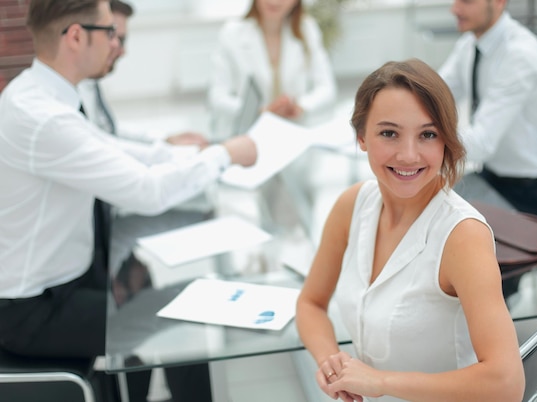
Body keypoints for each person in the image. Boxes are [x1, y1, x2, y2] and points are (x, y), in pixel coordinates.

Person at [0, 1, 257, 401]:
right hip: (35, 313)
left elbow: (121, 150)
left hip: (67, 285)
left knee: (187, 305)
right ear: (76, 36)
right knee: (189, 316)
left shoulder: (45, 97)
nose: (115, 42)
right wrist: (224, 156)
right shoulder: (42, 117)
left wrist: (209, 154)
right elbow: (147, 191)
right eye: (109, 32)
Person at [295, 59, 524, 402]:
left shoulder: (462, 236)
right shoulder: (353, 205)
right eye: (389, 133)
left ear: (445, 141)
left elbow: (506, 383)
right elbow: (310, 303)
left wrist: (382, 382)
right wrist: (333, 363)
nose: (408, 155)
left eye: (428, 135)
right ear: (361, 137)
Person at [438, 0, 537, 220]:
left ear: (499, 2)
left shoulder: (520, 54)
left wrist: (424, 138)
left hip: (527, 191)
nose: (454, 9)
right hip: (491, 175)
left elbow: (483, 142)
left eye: (466, 1)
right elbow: (436, 93)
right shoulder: (469, 44)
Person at [78, 0, 209, 150]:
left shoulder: (89, 82)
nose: (120, 49)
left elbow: (108, 131)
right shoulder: (71, 93)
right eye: (112, 37)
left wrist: (164, 140)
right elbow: (102, 144)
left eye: (121, 40)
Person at [207, 0, 337, 137]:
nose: (275, 1)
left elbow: (327, 89)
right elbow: (217, 98)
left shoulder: (307, 29)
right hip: (248, 135)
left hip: (293, 132)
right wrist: (259, 111)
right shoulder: (232, 33)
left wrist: (300, 106)